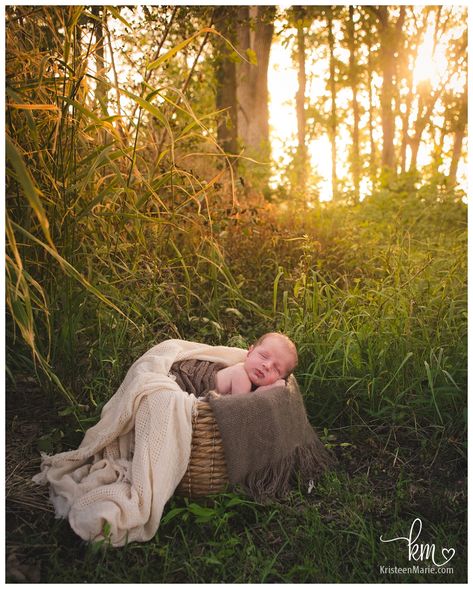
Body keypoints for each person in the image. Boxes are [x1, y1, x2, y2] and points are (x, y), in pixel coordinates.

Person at [214, 332, 298, 396]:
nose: (267, 366)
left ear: (280, 378)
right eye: (263, 356)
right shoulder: (240, 375)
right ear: (250, 352)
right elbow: (241, 407)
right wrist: (264, 390)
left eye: (276, 369)